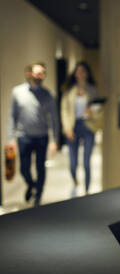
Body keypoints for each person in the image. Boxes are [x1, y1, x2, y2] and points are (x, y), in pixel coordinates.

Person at [6, 62, 59, 206]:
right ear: (29, 73)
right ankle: (31, 185)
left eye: (42, 73)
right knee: (24, 168)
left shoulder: (48, 95)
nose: (38, 76)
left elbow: (54, 118)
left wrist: (55, 140)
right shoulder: (17, 92)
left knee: (41, 167)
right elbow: (12, 116)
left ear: (44, 76)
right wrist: (10, 138)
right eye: (36, 73)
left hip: (42, 137)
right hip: (24, 137)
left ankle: (38, 197)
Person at [61, 61, 102, 197]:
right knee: (73, 162)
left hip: (88, 126)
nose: (81, 74)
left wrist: (92, 112)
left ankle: (86, 190)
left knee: (86, 161)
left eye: (83, 71)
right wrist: (67, 128)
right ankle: (74, 179)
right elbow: (65, 110)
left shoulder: (92, 90)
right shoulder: (69, 91)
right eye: (78, 71)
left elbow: (99, 108)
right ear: (75, 74)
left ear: (87, 73)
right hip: (73, 126)